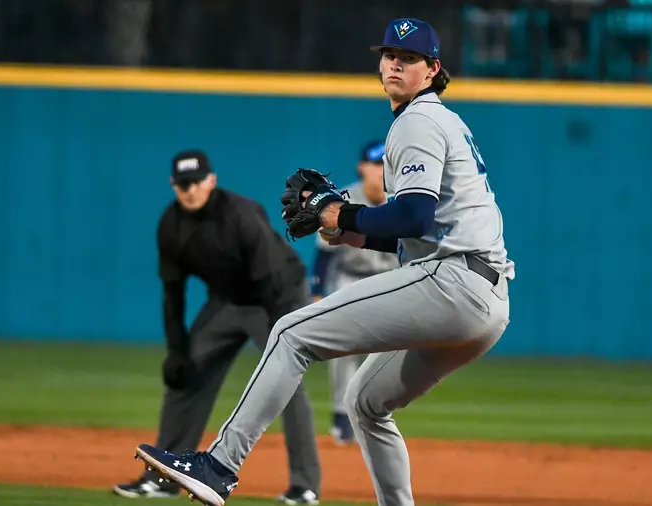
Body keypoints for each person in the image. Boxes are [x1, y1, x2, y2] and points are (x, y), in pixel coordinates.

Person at [134, 18, 514, 506]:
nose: (395, 63)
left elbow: (415, 216)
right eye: (389, 55)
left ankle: (219, 465)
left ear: (433, 69)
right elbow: (425, 229)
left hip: (453, 282)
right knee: (366, 403)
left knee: (292, 334)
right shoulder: (443, 123)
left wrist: (340, 211)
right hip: (486, 299)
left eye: (410, 58)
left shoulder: (418, 121)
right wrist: (353, 232)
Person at [114, 150, 322, 506]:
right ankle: (162, 478)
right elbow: (172, 293)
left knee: (284, 384)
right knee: (184, 376)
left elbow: (269, 277)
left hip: (277, 296)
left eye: (195, 182)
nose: (190, 190)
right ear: (173, 186)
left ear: (211, 181)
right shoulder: (170, 225)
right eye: (182, 185)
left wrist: (283, 340)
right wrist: (176, 350)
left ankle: (305, 486)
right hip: (227, 302)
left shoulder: (240, 214)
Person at [310, 140, 400, 445]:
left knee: (388, 349)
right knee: (343, 348)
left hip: (391, 279)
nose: (379, 172)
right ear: (362, 167)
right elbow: (324, 254)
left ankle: (373, 412)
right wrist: (318, 290)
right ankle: (340, 414)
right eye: (375, 165)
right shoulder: (345, 199)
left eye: (384, 165)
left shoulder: (402, 199)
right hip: (351, 278)